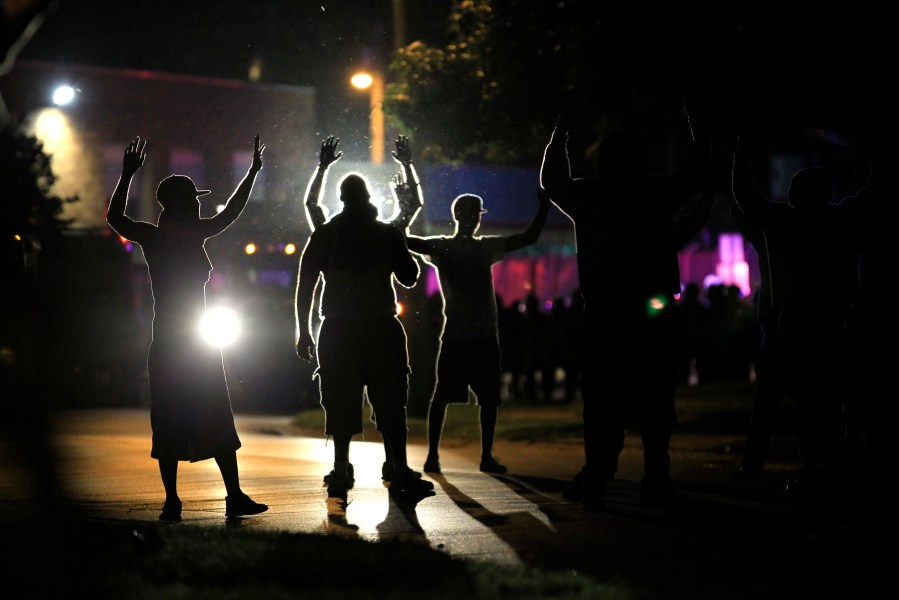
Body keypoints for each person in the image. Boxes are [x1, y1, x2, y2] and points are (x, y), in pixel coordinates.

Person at [540, 105, 716, 511]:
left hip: (604, 313)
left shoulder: (590, 196)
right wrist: (698, 132)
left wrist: (561, 131)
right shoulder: (657, 194)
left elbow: (552, 181)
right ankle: (655, 477)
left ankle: (598, 476)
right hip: (652, 313)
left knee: (602, 401)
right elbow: (695, 178)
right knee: (656, 400)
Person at [106, 135, 269, 522]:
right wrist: (252, 172)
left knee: (169, 418)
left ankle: (174, 502)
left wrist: (127, 174)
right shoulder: (190, 235)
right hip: (195, 342)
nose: (198, 202)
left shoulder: (156, 237)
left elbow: (116, 218)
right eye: (193, 198)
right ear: (182, 204)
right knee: (215, 414)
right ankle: (230, 495)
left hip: (168, 341)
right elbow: (231, 212)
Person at [732, 125, 860, 495]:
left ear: (794, 195)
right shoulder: (841, 223)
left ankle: (801, 467)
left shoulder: (783, 224)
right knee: (827, 396)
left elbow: (745, 197)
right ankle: (832, 462)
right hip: (835, 320)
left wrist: (741, 154)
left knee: (784, 398)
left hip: (791, 322)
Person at [294, 167, 434, 500]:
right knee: (391, 400)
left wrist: (303, 331)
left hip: (338, 329)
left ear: (342, 200)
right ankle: (397, 467)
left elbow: (306, 287)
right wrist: (401, 233)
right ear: (368, 198)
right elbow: (411, 277)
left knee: (339, 400)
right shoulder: (385, 233)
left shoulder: (327, 234)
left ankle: (341, 469)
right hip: (381, 328)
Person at [399, 185, 550, 475]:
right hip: (470, 336)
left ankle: (450, 456)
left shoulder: (452, 246)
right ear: (459, 215)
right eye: (470, 214)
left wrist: (405, 210)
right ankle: (466, 456)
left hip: (468, 336)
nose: (473, 219)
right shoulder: (468, 247)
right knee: (472, 399)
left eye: (474, 214)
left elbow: (404, 240)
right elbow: (529, 237)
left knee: (463, 398)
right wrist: (544, 206)